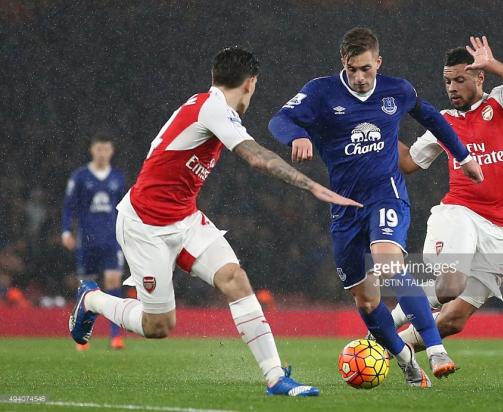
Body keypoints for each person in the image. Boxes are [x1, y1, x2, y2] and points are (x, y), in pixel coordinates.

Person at [68, 46, 362, 397]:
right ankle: (92, 300)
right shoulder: (213, 108)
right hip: (145, 226)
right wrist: (314, 187)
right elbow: (257, 158)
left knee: (235, 279)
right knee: (158, 325)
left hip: (185, 219)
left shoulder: (206, 106)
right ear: (251, 83)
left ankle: (275, 378)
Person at [268, 27, 483, 388]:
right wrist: (298, 135)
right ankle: (405, 359)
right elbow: (279, 120)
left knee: (388, 264)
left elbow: (430, 116)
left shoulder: (396, 90)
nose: (360, 77)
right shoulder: (321, 92)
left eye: (366, 69)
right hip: (343, 209)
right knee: (367, 300)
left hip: (386, 195)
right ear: (343, 63)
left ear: (378, 63)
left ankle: (435, 350)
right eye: (353, 69)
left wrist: (463, 156)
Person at [393, 36, 503, 350]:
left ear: (480, 77)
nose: (451, 88)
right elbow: (408, 162)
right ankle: (384, 326)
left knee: (453, 321)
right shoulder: (443, 122)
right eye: (447, 81)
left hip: (502, 228)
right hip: (459, 213)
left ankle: (387, 347)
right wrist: (379, 130)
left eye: (460, 80)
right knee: (450, 286)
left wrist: (494, 64)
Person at [62, 134, 126, 351]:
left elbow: (124, 209)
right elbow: (68, 205)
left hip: (111, 240)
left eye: (106, 149)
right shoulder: (79, 177)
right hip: (87, 239)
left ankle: (115, 336)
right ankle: (81, 337)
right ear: (92, 150)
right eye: (98, 149)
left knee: (113, 282)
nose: (102, 153)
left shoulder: (118, 178)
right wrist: (65, 231)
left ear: (111, 151)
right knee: (86, 288)